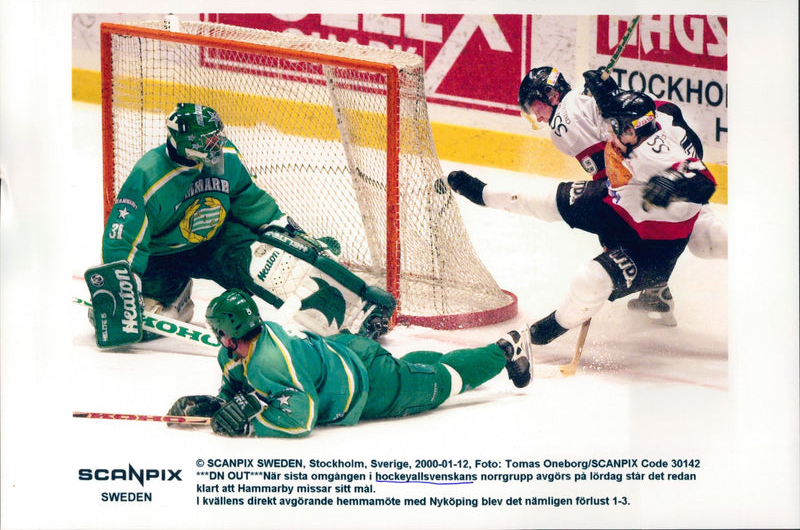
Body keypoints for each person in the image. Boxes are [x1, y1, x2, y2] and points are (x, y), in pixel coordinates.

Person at [447, 88, 716, 349]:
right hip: (616, 203)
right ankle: (483, 194)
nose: (606, 132)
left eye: (612, 126)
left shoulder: (660, 153)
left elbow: (705, 183)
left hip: (651, 249)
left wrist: (673, 182)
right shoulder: (632, 131)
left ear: (630, 131)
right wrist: (604, 90)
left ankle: (546, 331)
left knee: (590, 280)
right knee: (543, 200)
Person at [98, 102, 395, 340]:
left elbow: (245, 196)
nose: (216, 144)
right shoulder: (149, 176)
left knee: (270, 263)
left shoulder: (224, 156)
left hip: (217, 241)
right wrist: (122, 288)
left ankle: (360, 310)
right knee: (150, 323)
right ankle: (172, 293)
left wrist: (283, 229)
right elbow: (122, 238)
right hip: (163, 256)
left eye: (217, 136)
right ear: (184, 142)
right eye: (207, 140)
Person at [507, 66, 727, 325]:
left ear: (551, 95)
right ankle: (656, 292)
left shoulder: (562, 125)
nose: (538, 117)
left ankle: (658, 287)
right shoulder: (586, 96)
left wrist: (610, 229)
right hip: (677, 143)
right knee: (692, 233)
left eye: (535, 107)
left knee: (699, 235)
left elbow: (611, 177)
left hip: (669, 162)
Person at [166, 289, 532, 437]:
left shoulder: (270, 360)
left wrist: (250, 426)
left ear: (225, 332)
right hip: (344, 353)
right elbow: (240, 386)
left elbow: (301, 417)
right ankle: (469, 360)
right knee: (407, 366)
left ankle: (506, 349)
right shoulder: (235, 353)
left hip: (370, 383)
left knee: (445, 381)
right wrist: (218, 403)